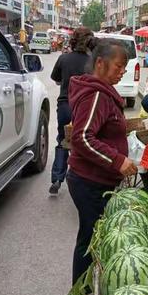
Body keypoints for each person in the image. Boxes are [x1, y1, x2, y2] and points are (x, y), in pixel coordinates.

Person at [67, 40, 138, 284]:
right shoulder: (97, 93)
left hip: (95, 179)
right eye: (118, 67)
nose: (121, 72)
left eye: (124, 68)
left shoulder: (102, 92)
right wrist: (117, 160)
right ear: (100, 63)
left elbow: (101, 129)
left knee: (91, 234)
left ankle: (86, 284)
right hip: (89, 182)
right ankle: (82, 288)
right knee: (90, 236)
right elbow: (82, 137)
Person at [49, 27, 93, 196]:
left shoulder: (63, 58)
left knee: (63, 140)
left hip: (65, 107)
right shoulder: (92, 61)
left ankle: (57, 179)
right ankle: (81, 179)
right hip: (85, 108)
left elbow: (57, 80)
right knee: (84, 142)